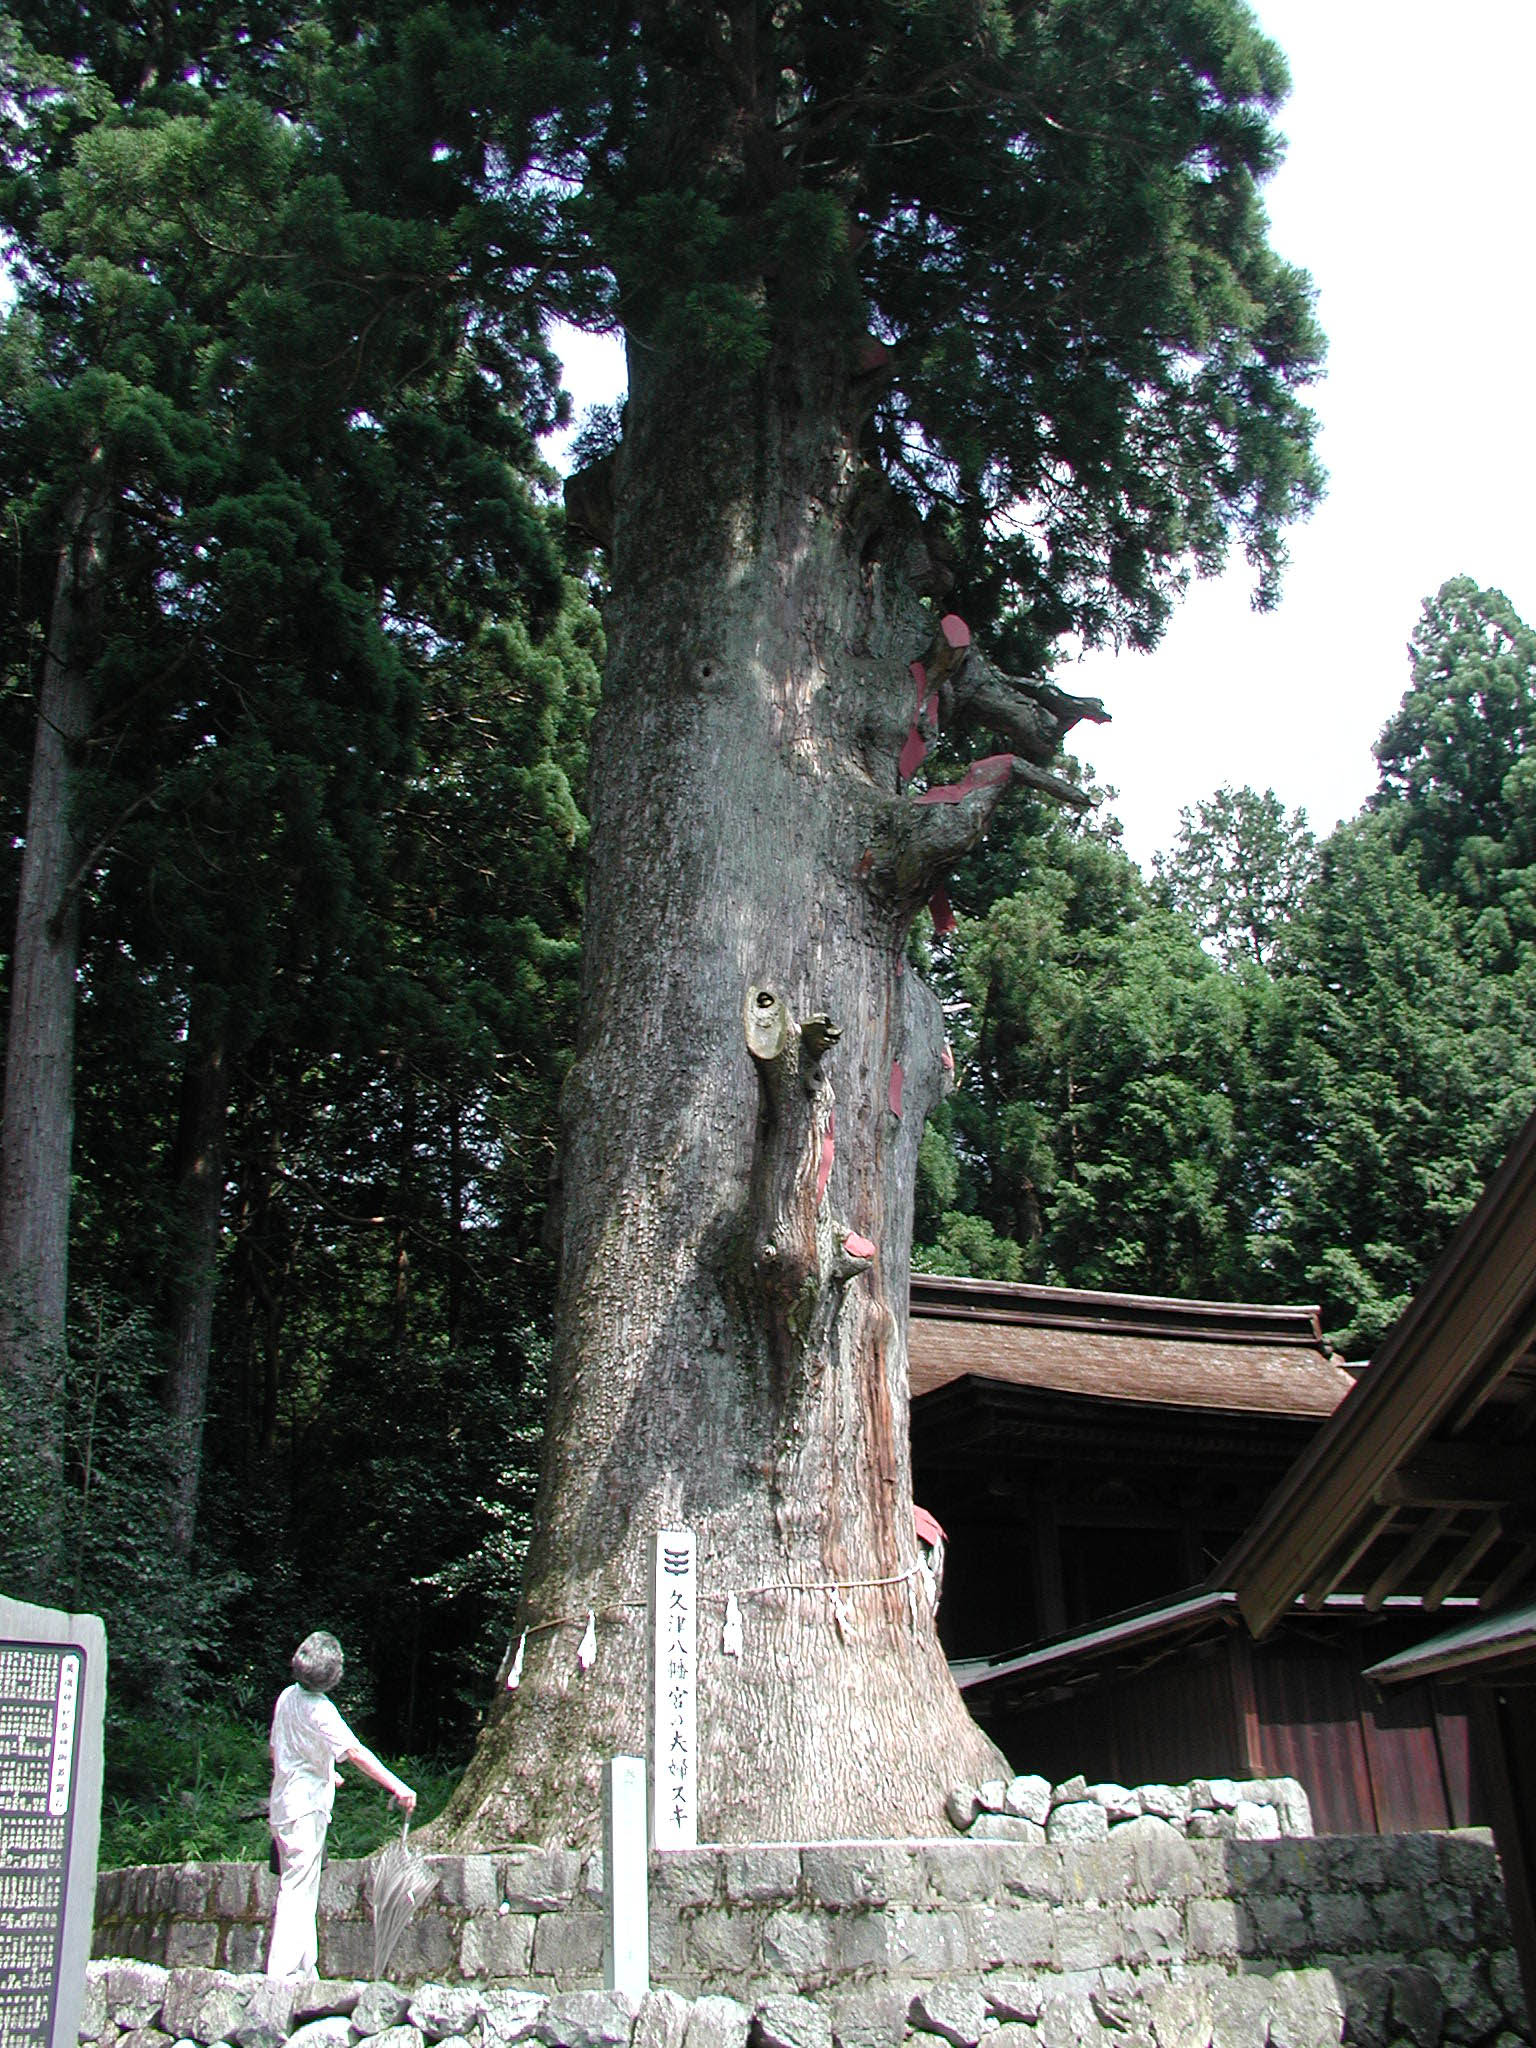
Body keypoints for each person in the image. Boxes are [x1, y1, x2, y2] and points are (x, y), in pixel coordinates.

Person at [265, 1629, 417, 1979]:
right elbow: (355, 1753)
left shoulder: (287, 1697)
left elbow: (279, 1750)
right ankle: (280, 1975)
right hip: (305, 1808)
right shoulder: (321, 1710)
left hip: (286, 1802)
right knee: (296, 1887)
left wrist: (325, 1771)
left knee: (303, 1884)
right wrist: (398, 1786)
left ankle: (305, 1968)